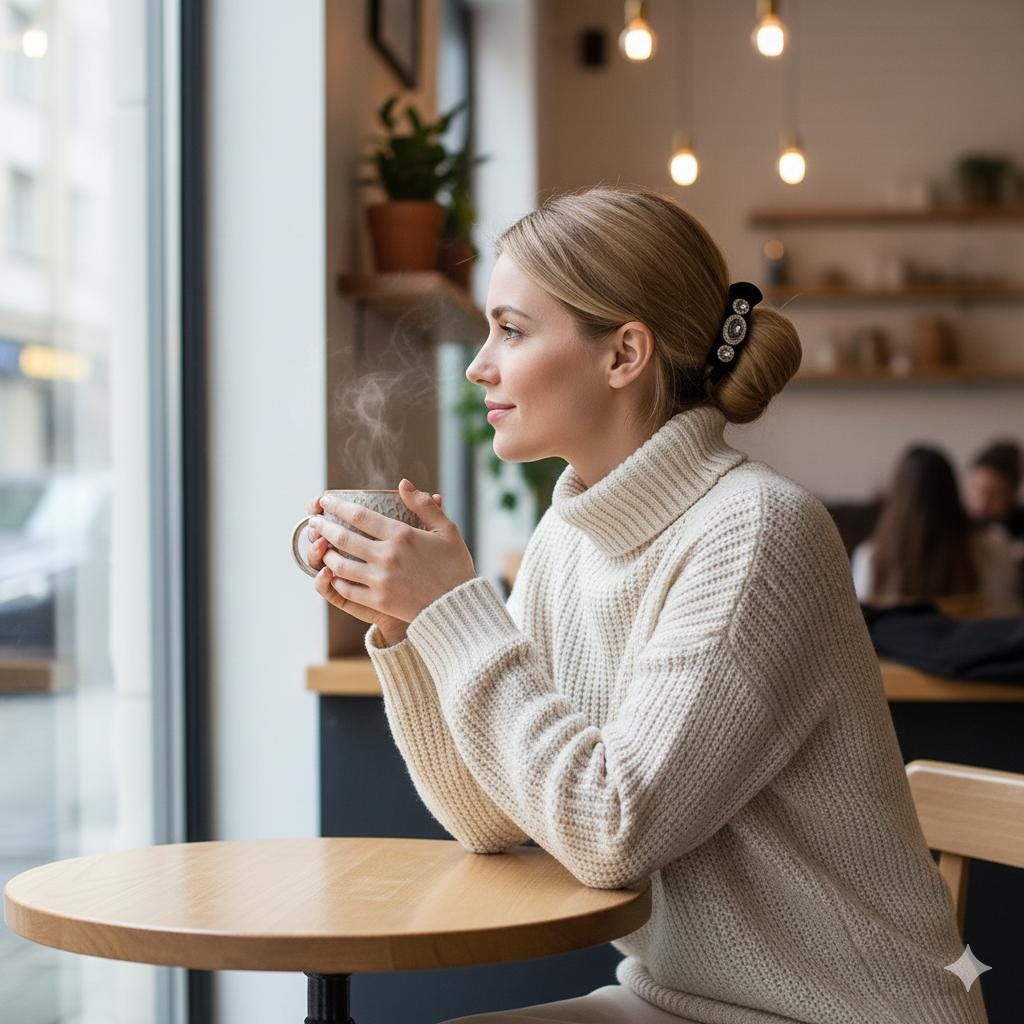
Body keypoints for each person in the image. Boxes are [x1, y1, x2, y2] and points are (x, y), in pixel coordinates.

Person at [303, 185, 988, 1024]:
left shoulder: (756, 533)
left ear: (624, 354)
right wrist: (412, 631)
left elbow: (611, 832)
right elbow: (491, 818)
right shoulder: (568, 535)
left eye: (511, 330)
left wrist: (458, 611)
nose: (480, 364)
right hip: (678, 1003)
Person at [851, 445, 1023, 617]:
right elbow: (1007, 617)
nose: (983, 502)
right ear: (954, 492)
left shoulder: (869, 557)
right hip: (979, 641)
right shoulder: (995, 549)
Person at [964, 440, 1024, 541]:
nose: (981, 501)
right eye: (974, 488)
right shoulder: (956, 524)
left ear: (1012, 494)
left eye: (993, 493)